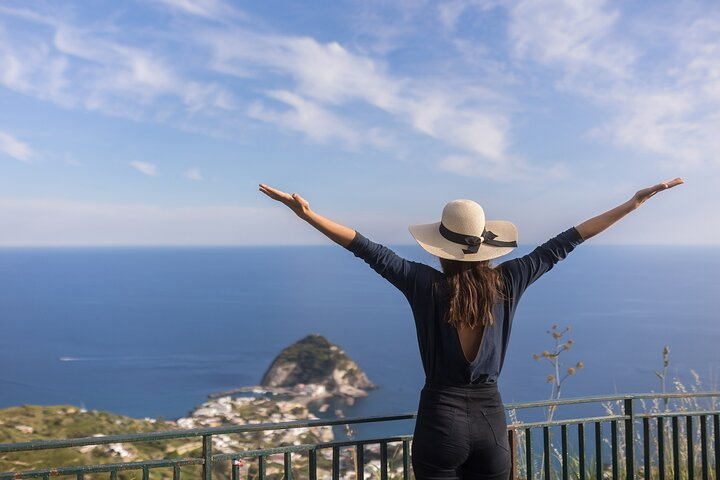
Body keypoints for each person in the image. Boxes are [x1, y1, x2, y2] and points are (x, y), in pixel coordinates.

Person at [258, 177, 684, 479]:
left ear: (440, 249)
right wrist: (632, 204)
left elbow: (366, 248)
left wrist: (308, 215)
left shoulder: (424, 284)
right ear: (486, 245)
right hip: (490, 424)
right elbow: (567, 240)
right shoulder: (509, 280)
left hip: (439, 422)